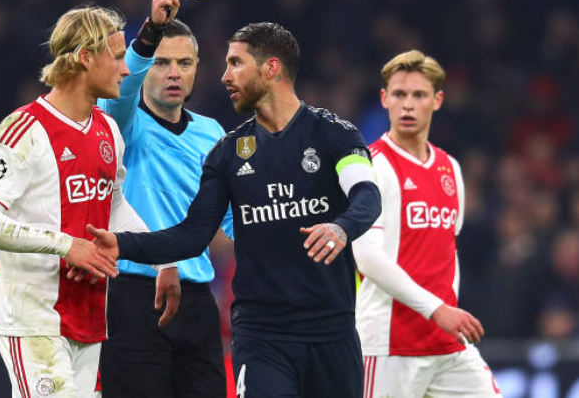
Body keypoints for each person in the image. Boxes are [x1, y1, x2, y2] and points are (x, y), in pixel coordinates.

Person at [84, 22, 382, 398]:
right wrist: (123, 244)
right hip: (259, 333)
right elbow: (193, 234)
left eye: (236, 64)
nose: (224, 76)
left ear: (271, 68)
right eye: (226, 65)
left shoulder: (335, 135)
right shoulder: (227, 151)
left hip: (330, 328)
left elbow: (367, 195)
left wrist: (340, 228)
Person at [0, 0, 183, 398]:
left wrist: (163, 260)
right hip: (33, 319)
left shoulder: (108, 130)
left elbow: (111, 204)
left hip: (88, 316)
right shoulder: (23, 131)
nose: (125, 70)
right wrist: (67, 245)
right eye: (117, 57)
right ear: (85, 57)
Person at [96, 0, 233, 395]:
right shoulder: (122, 124)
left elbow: (230, 220)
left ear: (197, 69)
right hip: (133, 294)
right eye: (161, 63)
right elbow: (120, 95)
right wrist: (151, 31)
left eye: (184, 63)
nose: (174, 72)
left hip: (197, 297)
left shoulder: (213, 133)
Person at [352, 50, 502, 397]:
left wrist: (446, 311)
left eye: (419, 95)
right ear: (384, 99)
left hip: (447, 341)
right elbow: (367, 258)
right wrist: (437, 309)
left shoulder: (450, 168)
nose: (408, 104)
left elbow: (448, 250)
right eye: (399, 94)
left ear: (437, 101)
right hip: (389, 345)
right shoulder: (370, 166)